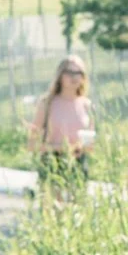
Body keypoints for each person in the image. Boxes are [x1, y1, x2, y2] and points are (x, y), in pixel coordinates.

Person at [28, 54, 95, 192]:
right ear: (60, 76)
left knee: (76, 210)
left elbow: (90, 145)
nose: (74, 77)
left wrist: (82, 147)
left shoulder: (87, 106)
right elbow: (32, 144)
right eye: (69, 72)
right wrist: (60, 148)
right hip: (52, 163)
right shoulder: (47, 103)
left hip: (78, 164)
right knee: (55, 210)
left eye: (79, 73)